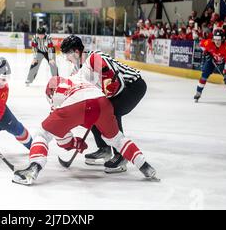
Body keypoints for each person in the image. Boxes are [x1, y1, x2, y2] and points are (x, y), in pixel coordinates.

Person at [12, 76, 158, 185]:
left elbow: (61, 137)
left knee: (43, 134)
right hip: (102, 103)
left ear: (50, 91)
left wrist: (74, 143)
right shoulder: (79, 79)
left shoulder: (58, 92)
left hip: (78, 104)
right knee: (117, 139)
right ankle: (144, 166)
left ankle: (33, 168)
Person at [59, 35, 147, 173]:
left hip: (133, 86)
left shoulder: (97, 58)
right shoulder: (78, 69)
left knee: (109, 112)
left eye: (67, 54)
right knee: (93, 113)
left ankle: (121, 155)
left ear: (76, 52)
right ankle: (105, 149)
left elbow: (117, 85)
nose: (66, 58)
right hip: (119, 90)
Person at [194, 29, 226, 103]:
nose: (216, 42)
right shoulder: (208, 42)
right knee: (204, 75)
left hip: (224, 63)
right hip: (212, 60)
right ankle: (198, 92)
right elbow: (201, 45)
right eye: (215, 39)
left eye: (219, 40)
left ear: (223, 39)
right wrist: (206, 52)